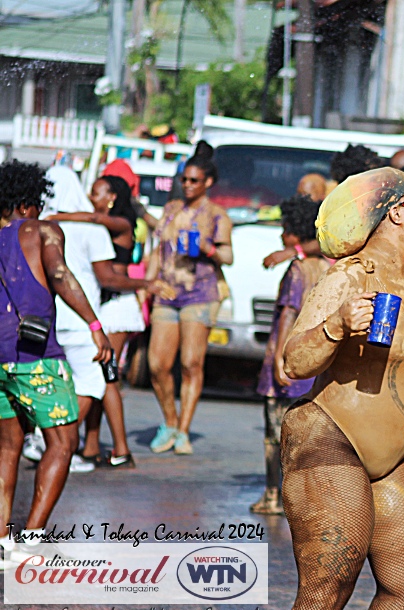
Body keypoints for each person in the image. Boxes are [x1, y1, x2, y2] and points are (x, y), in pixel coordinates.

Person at [280, 167, 404, 610]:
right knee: (327, 585)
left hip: (395, 455)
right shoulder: (348, 279)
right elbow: (293, 362)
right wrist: (336, 325)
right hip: (331, 437)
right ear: (396, 213)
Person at [0, 160, 111, 564]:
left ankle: (1, 542)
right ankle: (30, 537)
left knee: (7, 448)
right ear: (30, 203)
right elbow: (60, 275)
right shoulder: (42, 230)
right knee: (63, 443)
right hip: (34, 356)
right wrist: (95, 325)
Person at [39, 167, 172, 472]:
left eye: (96, 192)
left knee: (106, 378)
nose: (90, 198)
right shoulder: (97, 227)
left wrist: (60, 215)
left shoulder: (121, 224)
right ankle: (92, 445)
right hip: (107, 305)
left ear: (111, 199)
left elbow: (95, 222)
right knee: (101, 376)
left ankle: (117, 448)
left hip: (118, 306)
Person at [147, 156, 233, 456]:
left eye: (194, 180)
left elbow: (228, 256)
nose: (187, 185)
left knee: (190, 364)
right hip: (167, 291)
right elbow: (158, 251)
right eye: (184, 179)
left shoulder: (217, 214)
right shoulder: (171, 210)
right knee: (157, 364)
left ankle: (183, 430)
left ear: (207, 182)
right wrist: (147, 284)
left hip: (201, 293)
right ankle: (170, 422)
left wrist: (207, 247)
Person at [251, 195, 329, 515]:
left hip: (288, 360)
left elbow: (287, 313)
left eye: (285, 228)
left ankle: (274, 495)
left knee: (275, 436)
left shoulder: (297, 270)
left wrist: (281, 361)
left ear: (295, 232)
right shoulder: (324, 266)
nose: (281, 235)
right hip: (313, 364)